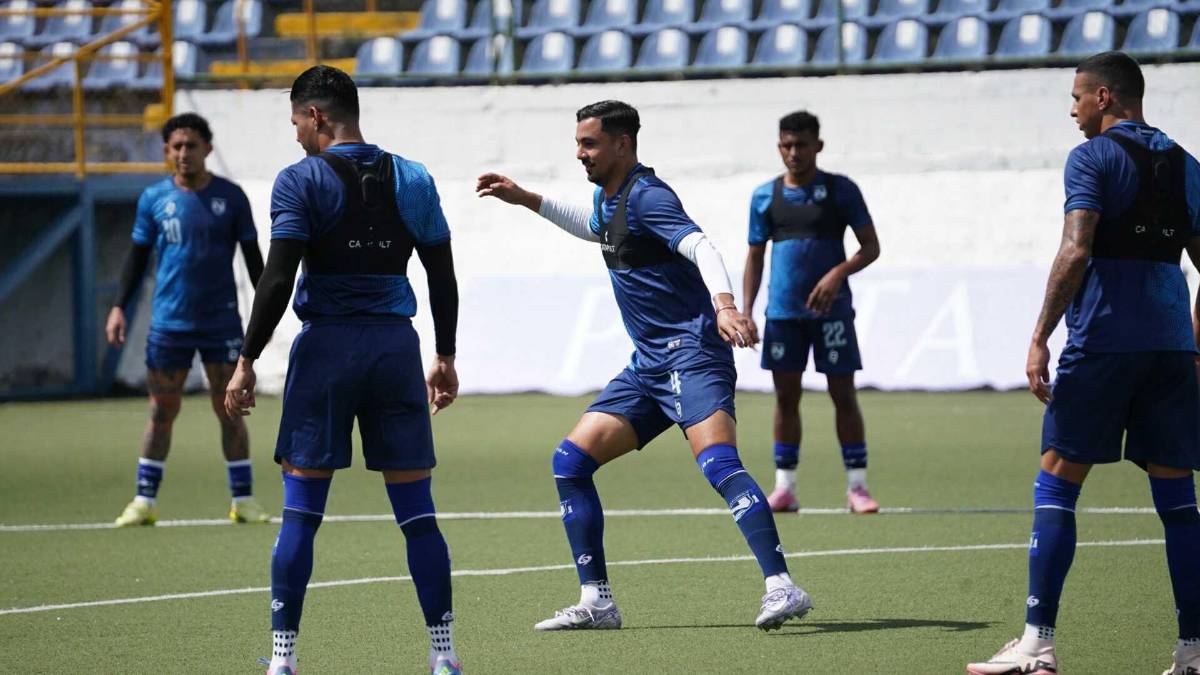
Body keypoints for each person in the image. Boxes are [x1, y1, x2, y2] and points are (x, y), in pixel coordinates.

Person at [476, 99, 812, 632]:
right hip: (648, 367)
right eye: (578, 143)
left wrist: (725, 305)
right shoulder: (608, 198)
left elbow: (701, 246)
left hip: (692, 355)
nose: (580, 153)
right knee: (570, 462)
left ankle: (782, 586)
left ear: (623, 144)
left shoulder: (649, 196)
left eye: (589, 144)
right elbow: (594, 229)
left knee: (720, 466)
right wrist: (527, 200)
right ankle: (597, 601)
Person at [223, 65, 462, 675]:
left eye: (297, 123)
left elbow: (277, 279)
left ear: (318, 117)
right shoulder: (412, 175)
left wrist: (246, 360)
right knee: (418, 516)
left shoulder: (299, 180)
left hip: (327, 351)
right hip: (393, 352)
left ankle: (284, 661)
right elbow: (441, 274)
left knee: (302, 512)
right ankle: (444, 658)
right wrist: (446, 355)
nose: (296, 135)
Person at [967, 51, 1200, 675]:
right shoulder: (1188, 165)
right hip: (1171, 350)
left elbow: (1076, 250)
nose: (1071, 109)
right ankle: (1193, 651)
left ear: (1104, 98)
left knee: (1057, 483)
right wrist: (1193, 344)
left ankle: (1037, 645)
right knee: (1179, 502)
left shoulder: (1091, 158)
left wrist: (1040, 335)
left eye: (1076, 97)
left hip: (1101, 345)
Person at [107, 112, 271, 527]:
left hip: (221, 324)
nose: (183, 153)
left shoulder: (231, 198)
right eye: (176, 146)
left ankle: (244, 499)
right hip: (169, 325)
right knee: (161, 411)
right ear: (166, 151)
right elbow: (137, 259)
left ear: (208, 149)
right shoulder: (153, 199)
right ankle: (144, 501)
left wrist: (269, 313)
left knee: (230, 409)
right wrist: (118, 308)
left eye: (191, 145)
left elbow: (255, 262)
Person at [741, 110, 881, 515]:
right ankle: (784, 488)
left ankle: (857, 487)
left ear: (818, 145)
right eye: (786, 145)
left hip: (832, 313)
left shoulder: (841, 191)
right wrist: (747, 311)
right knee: (786, 398)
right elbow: (754, 256)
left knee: (843, 394)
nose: (794, 153)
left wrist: (838, 273)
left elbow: (871, 247)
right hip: (783, 315)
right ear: (778, 147)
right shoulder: (765, 196)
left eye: (802, 144)